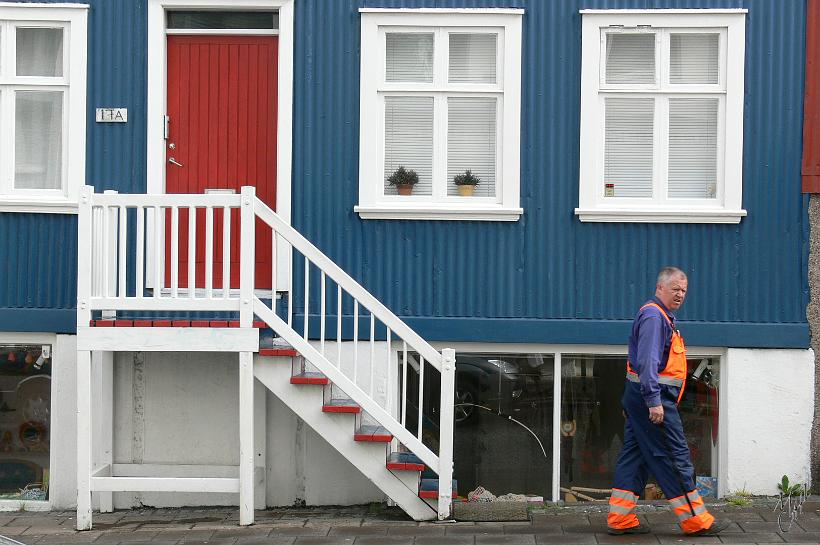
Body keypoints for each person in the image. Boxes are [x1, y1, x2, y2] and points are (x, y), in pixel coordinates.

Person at [606, 267, 728, 536]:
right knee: (674, 456)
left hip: (640, 398)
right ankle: (696, 521)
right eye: (675, 289)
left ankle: (620, 518)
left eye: (684, 290)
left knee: (635, 456)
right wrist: (653, 402)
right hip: (654, 399)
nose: (680, 295)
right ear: (659, 288)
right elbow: (647, 361)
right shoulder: (654, 316)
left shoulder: (660, 316)